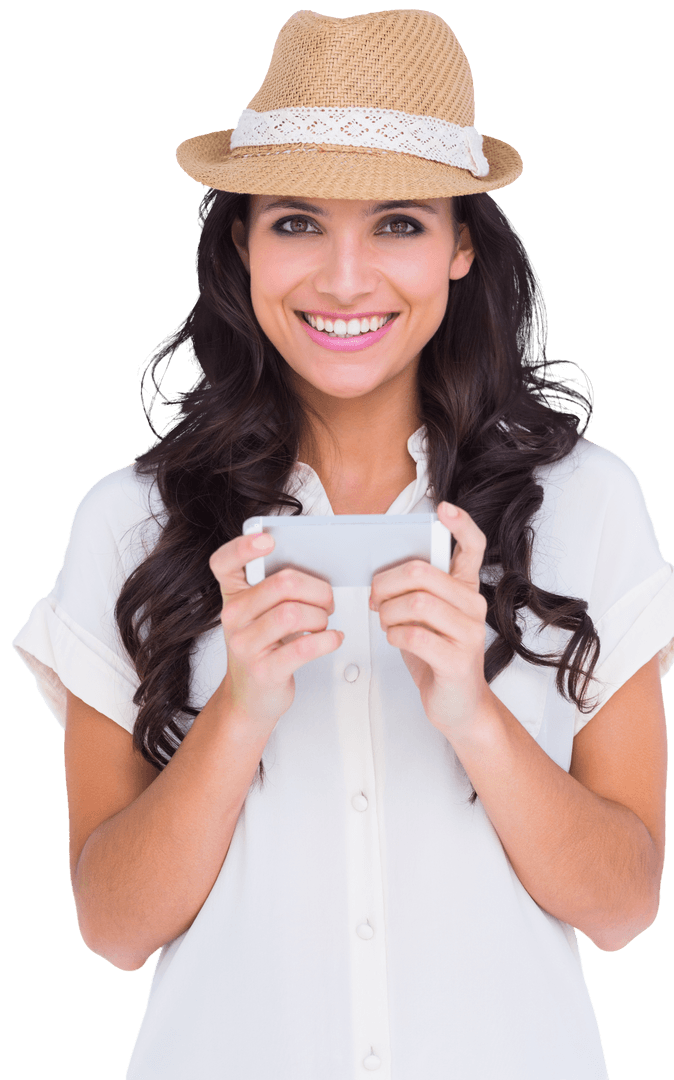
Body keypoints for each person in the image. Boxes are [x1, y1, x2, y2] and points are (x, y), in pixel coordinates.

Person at [11, 9, 673, 1079]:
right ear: (242, 242)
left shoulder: (588, 503)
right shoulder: (127, 522)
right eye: (297, 222)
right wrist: (239, 710)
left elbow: (623, 907)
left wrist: (473, 714)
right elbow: (113, 929)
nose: (345, 278)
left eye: (399, 223)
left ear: (462, 244)